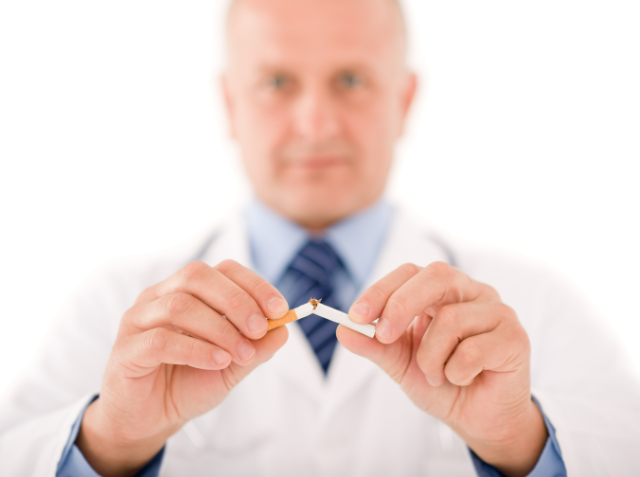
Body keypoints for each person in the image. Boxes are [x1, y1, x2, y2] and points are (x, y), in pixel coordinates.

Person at [1, 0, 639, 475]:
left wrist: (521, 443)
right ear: (230, 104)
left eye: (351, 81)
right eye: (277, 83)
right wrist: (110, 443)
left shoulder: (536, 306)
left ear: (405, 99)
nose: (315, 121)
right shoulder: (112, 307)